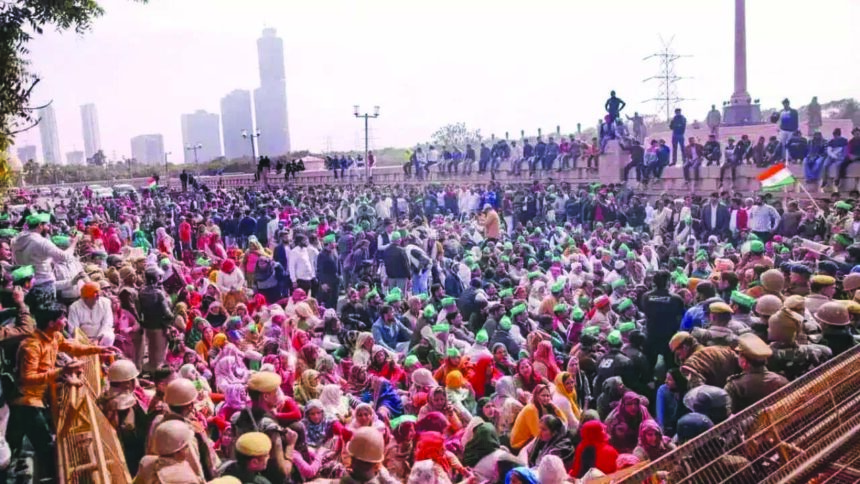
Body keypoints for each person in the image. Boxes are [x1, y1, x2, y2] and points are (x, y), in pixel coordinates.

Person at [8, 302, 113, 471]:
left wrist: (98, 350)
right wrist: (61, 371)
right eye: (62, 318)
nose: (65, 322)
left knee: (15, 442)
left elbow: (72, 347)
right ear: (51, 323)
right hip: (26, 402)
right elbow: (27, 378)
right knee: (44, 445)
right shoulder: (32, 346)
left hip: (39, 398)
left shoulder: (55, 336)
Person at [724, 333, 789, 413]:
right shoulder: (782, 380)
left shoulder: (734, 387)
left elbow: (728, 416)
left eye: (739, 355)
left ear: (744, 361)